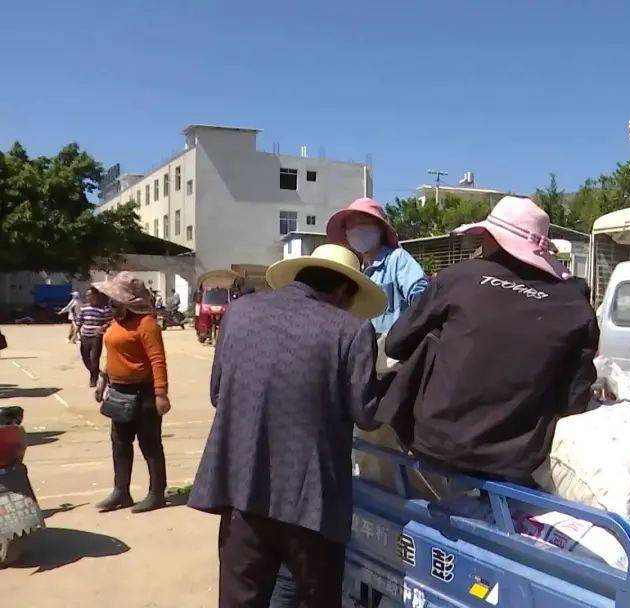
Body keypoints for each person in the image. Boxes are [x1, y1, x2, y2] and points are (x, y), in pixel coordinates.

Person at [187, 244, 387, 608]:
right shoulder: (352, 330)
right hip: (313, 504)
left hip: (242, 491)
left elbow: (219, 393)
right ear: (344, 290)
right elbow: (367, 413)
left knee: (239, 599)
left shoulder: (239, 313)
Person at [384, 196, 599, 482]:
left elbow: (396, 344)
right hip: (516, 459)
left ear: (491, 238)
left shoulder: (459, 277)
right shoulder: (576, 307)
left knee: (434, 336)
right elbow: (574, 402)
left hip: (433, 441)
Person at [91, 272, 171, 513]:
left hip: (144, 393)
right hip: (118, 391)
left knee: (150, 444)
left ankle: (156, 493)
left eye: (115, 300)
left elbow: (158, 360)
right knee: (120, 442)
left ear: (130, 302)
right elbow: (114, 355)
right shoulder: (117, 323)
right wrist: (102, 380)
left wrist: (161, 394)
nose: (111, 304)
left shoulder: (147, 325)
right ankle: (121, 492)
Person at [326, 197, 429, 337]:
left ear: (379, 228)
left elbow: (422, 298)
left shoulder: (397, 259)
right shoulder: (356, 270)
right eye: (351, 225)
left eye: (362, 223)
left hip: (397, 353)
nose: (356, 229)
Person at [77, 288, 112, 387]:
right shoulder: (84, 308)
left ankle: (93, 378)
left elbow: (110, 321)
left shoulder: (104, 309)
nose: (88, 298)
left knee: (94, 358)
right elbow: (79, 321)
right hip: (85, 335)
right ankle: (98, 373)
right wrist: (75, 333)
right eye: (87, 296)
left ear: (96, 296)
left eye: (90, 295)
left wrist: (103, 327)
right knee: (85, 357)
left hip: (96, 337)